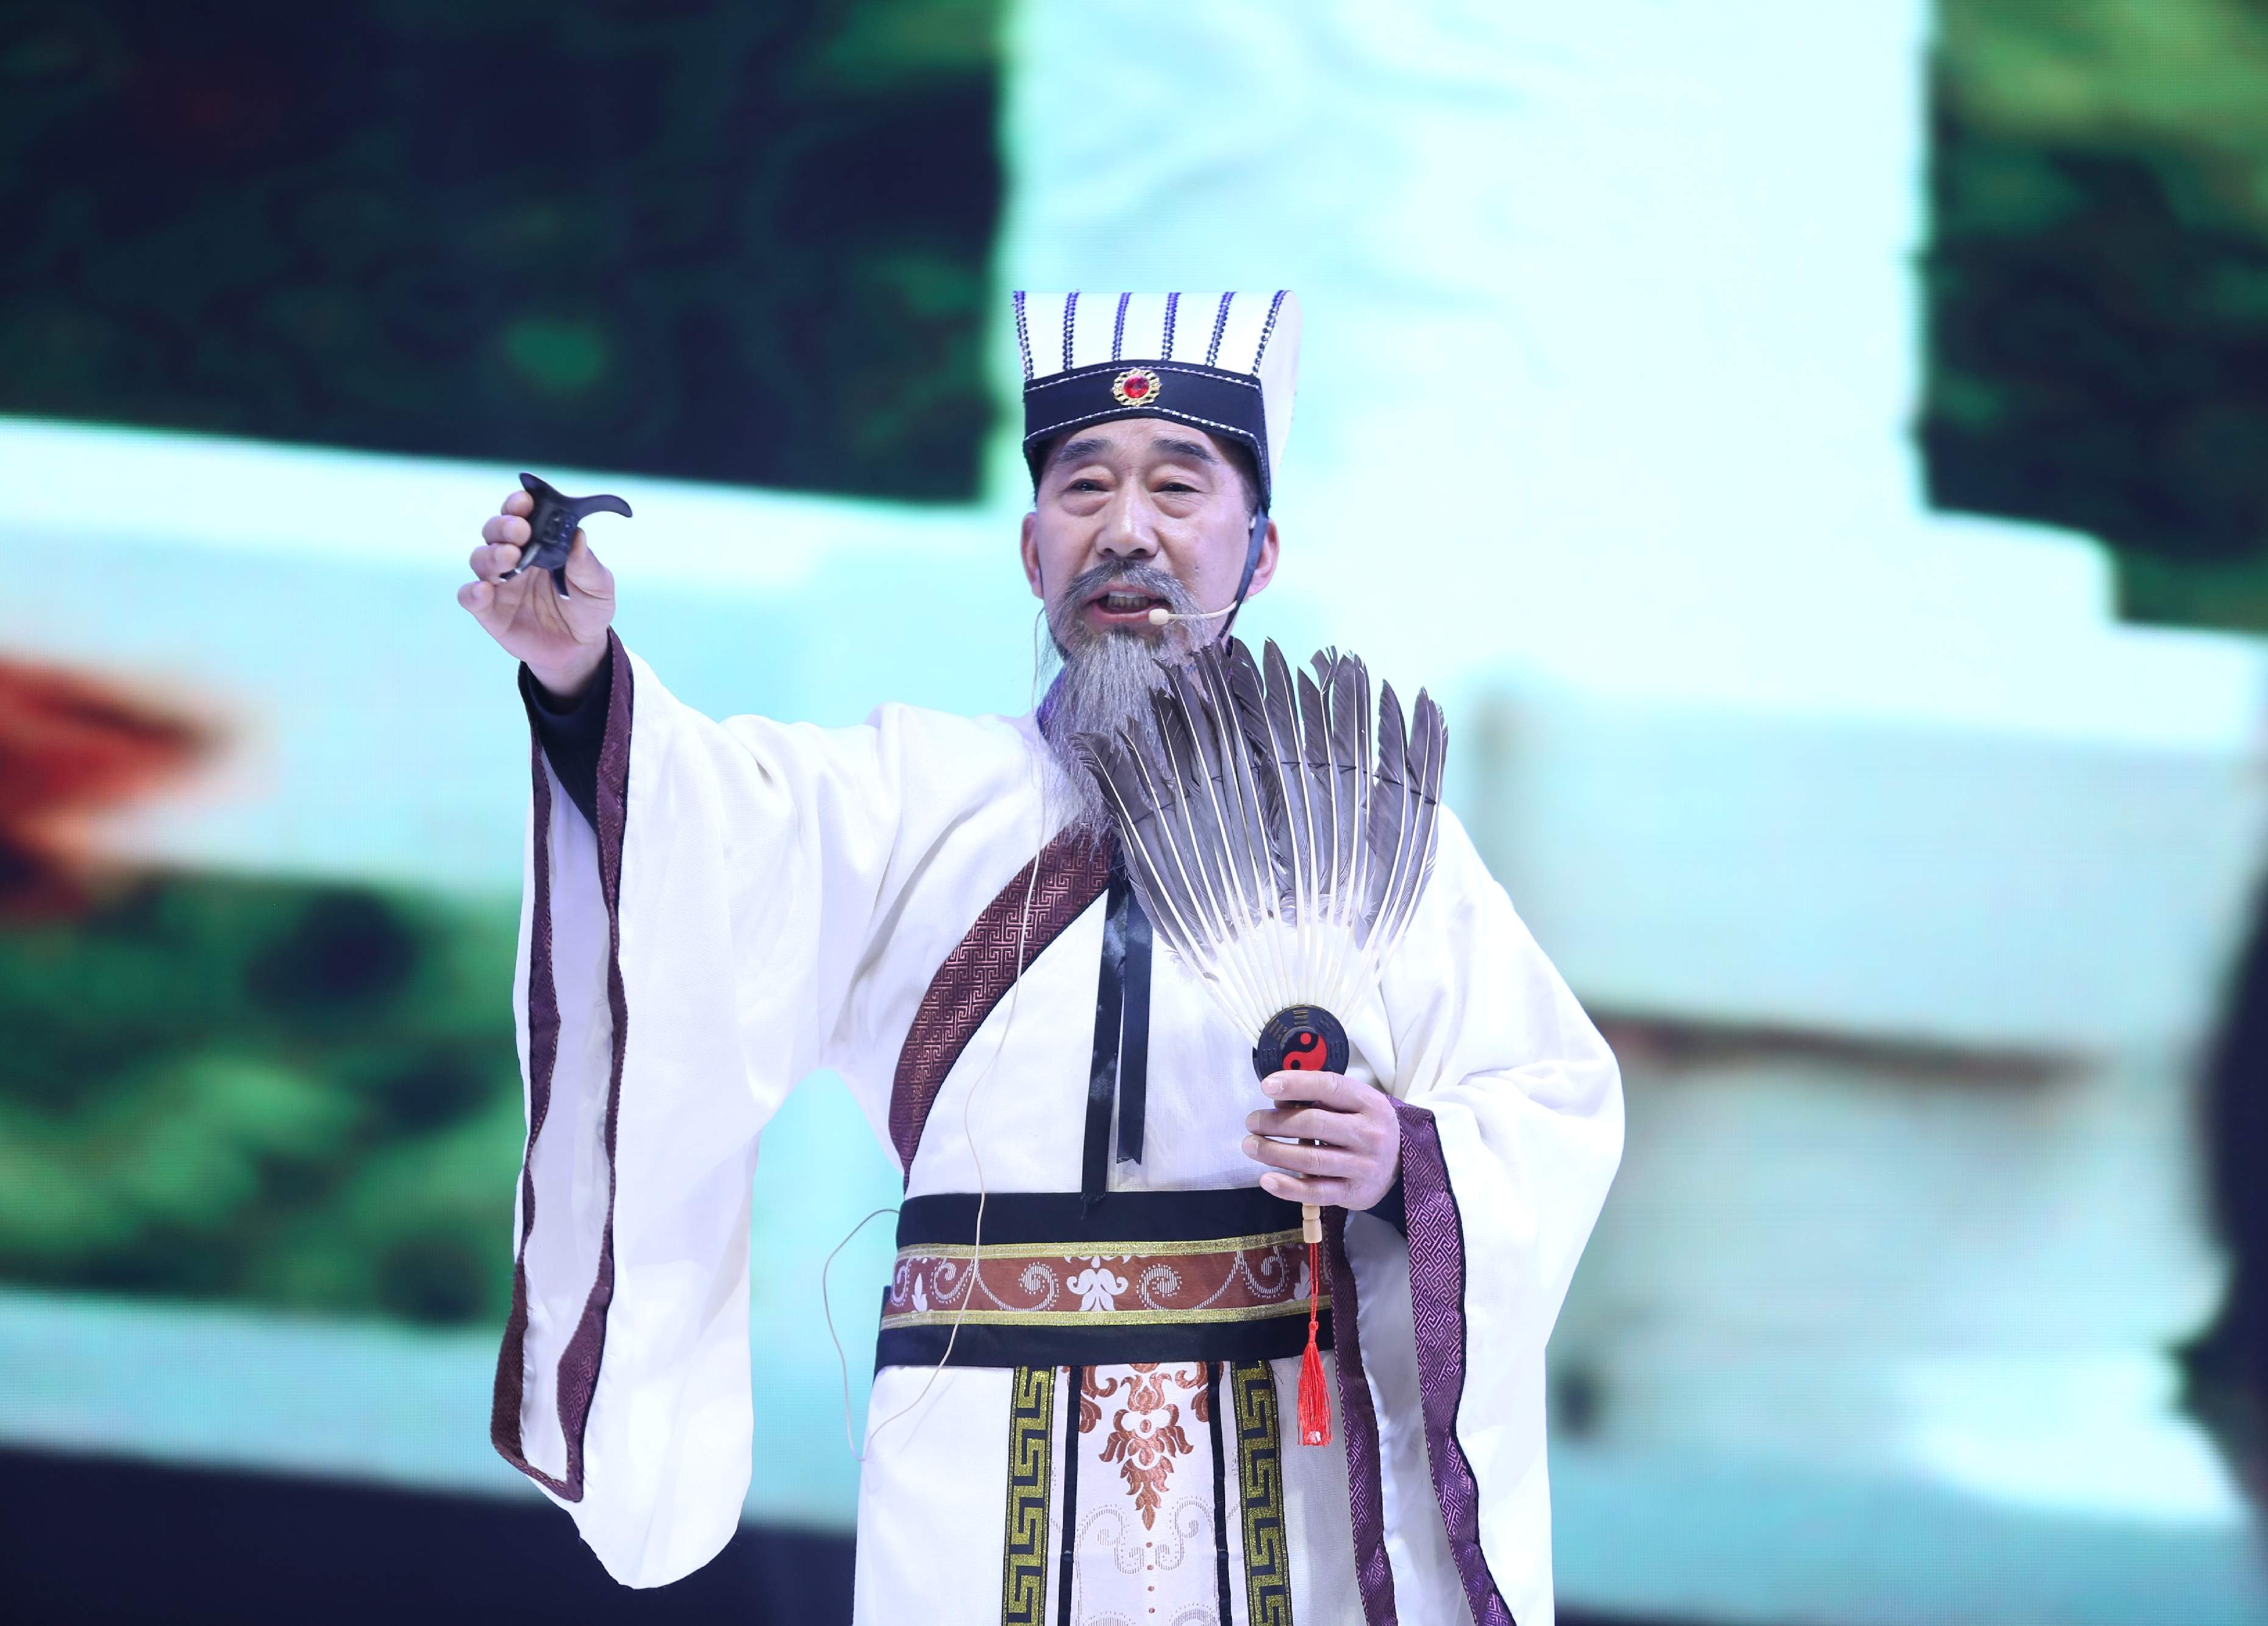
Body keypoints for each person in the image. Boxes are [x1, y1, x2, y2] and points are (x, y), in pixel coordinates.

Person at [459, 289, 1622, 1625]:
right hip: (971, 1460)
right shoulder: (911, 796)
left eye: (1177, 486)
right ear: (1030, 550)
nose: (1126, 529)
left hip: (1279, 1467)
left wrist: (1401, 1160)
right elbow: (693, 837)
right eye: (1084, 487)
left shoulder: (1367, 838)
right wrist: (578, 685)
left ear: (1260, 551)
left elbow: (1551, 1099)